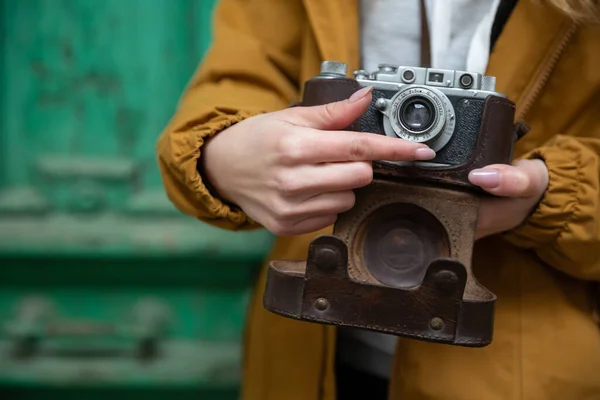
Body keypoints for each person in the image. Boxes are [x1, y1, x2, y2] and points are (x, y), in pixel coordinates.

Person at [156, 0, 600, 398]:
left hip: (521, 369)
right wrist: (224, 154)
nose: (416, 116)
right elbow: (238, 78)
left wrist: (552, 191)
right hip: (314, 346)